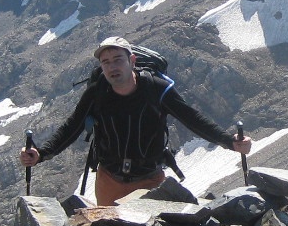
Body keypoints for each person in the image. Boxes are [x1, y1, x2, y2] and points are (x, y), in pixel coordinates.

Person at [19, 36, 251, 204]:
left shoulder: (156, 89)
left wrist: (229, 142)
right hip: (109, 179)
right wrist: (41, 154)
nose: (112, 67)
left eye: (117, 59)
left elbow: (193, 119)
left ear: (132, 60)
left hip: (149, 179)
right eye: (106, 62)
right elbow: (72, 127)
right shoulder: (97, 92)